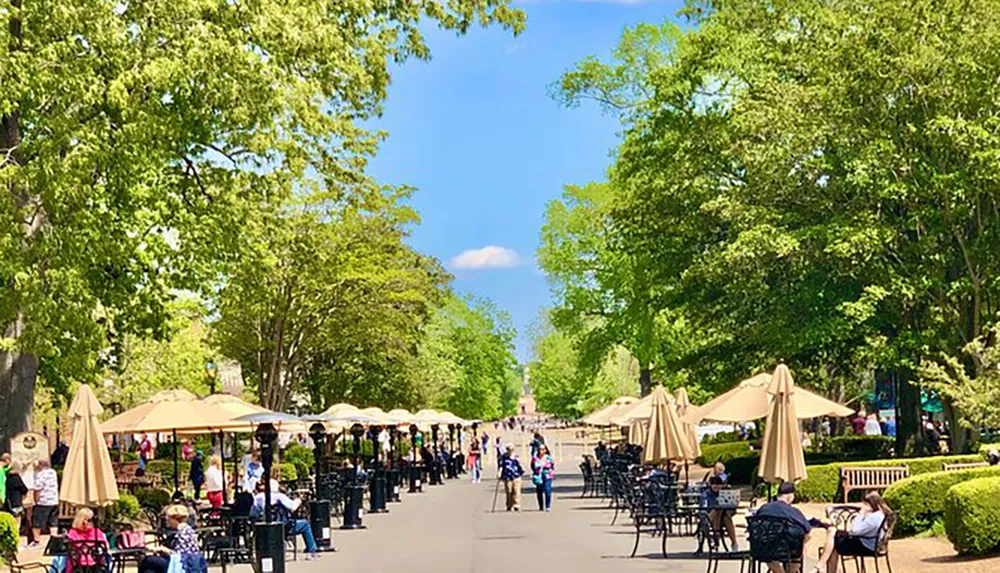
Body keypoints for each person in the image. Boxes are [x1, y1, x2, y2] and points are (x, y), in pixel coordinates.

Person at [813, 492, 891, 573]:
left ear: (870, 504)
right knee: (832, 533)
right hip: (873, 544)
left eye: (865, 504)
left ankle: (820, 565)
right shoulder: (881, 514)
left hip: (867, 546)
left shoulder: (874, 518)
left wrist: (861, 513)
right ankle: (820, 565)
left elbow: (854, 530)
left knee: (833, 540)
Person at [250, 482, 320, 559]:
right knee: (305, 524)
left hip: (261, 527)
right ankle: (312, 550)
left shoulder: (257, 498)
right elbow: (292, 507)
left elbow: (252, 513)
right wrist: (298, 500)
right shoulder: (279, 497)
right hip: (283, 526)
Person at [753, 482, 812, 573]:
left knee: (770, 556)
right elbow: (807, 528)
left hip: (762, 549)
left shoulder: (764, 508)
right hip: (785, 549)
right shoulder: (791, 510)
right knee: (802, 541)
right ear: (789, 497)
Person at [139, 505, 202, 573]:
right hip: (182, 562)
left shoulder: (184, 532)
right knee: (150, 568)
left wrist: (164, 550)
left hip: (184, 565)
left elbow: (180, 556)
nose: (166, 520)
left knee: (148, 560)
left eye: (168, 518)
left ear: (175, 519)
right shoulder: (184, 529)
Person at [66, 507, 109, 573]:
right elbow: (106, 547)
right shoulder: (97, 532)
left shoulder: (72, 532)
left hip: (77, 565)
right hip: (96, 564)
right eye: (89, 520)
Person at [703, 476, 738, 552]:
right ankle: (721, 538)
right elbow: (704, 507)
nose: (716, 486)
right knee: (716, 510)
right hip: (709, 517)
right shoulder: (706, 494)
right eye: (714, 484)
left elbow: (733, 509)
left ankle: (732, 542)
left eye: (718, 484)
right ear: (711, 485)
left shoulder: (726, 494)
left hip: (723, 518)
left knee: (726, 517)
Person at [4, 462, 35, 548]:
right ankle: (16, 543)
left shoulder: (8, 477)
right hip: (16, 502)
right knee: (17, 523)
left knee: (13, 522)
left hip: (9, 501)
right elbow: (24, 489)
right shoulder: (16, 478)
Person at [32, 459, 59, 542]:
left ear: (40, 466)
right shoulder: (53, 472)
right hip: (54, 500)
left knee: (37, 522)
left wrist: (36, 500)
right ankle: (54, 539)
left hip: (43, 501)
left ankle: (36, 540)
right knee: (53, 521)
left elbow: (37, 489)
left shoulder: (41, 474)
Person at [498, 444, 524, 511]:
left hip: (516, 475)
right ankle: (509, 505)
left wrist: (521, 467)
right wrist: (499, 473)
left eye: (512, 449)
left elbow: (520, 465)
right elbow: (501, 466)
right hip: (507, 476)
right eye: (509, 449)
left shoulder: (516, 456)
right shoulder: (503, 457)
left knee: (516, 490)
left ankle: (516, 504)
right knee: (509, 491)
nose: (510, 451)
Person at [531, 444, 555, 512]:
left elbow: (552, 465)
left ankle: (548, 506)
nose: (540, 451)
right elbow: (532, 466)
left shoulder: (548, 458)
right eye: (539, 449)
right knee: (539, 491)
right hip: (539, 476)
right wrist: (536, 471)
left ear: (545, 450)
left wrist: (549, 471)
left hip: (547, 475)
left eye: (542, 449)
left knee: (547, 490)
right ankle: (541, 505)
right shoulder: (535, 458)